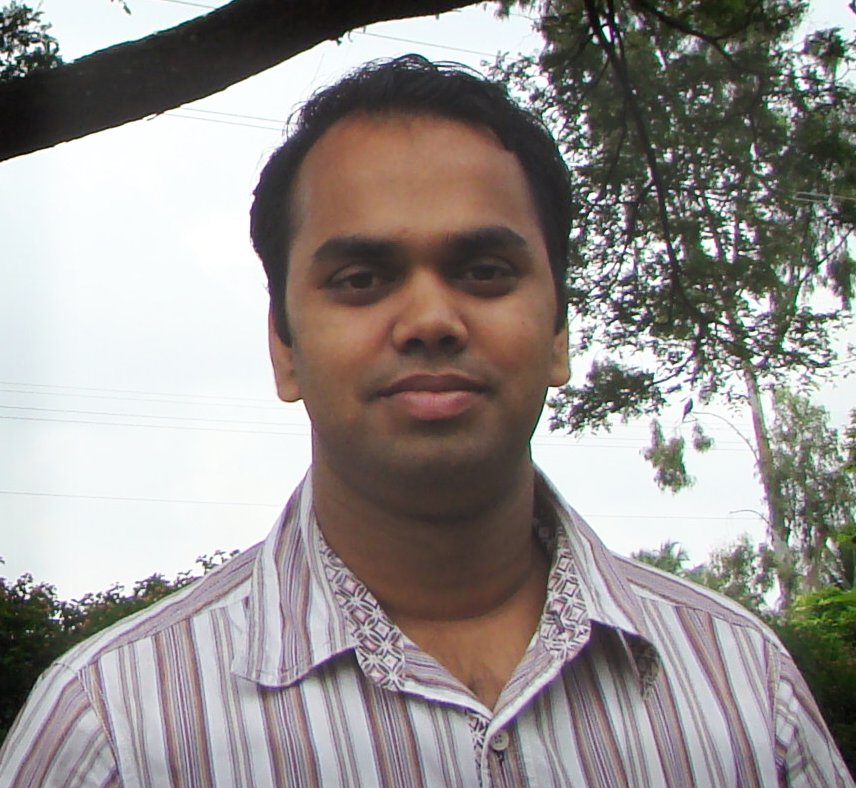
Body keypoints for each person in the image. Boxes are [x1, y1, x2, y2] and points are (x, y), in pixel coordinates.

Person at [0, 55, 851, 787]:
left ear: (559, 334)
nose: (431, 321)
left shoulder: (745, 690)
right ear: (284, 347)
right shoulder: (113, 727)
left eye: (484, 271)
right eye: (362, 280)